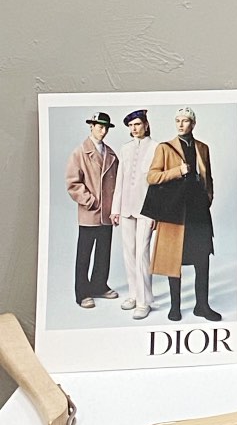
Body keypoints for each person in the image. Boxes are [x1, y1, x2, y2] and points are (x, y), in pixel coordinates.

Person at [146, 107, 221, 322]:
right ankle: (175, 307)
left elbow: (208, 177)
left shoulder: (203, 147)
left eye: (185, 120)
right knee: (174, 258)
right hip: (174, 210)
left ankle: (202, 306)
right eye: (177, 120)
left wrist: (207, 198)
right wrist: (178, 171)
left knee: (202, 258)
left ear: (193, 124)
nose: (180, 124)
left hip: (198, 210)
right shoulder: (164, 148)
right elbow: (152, 177)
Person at [64, 111, 119, 309]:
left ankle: (99, 285)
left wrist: (115, 207)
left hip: (107, 213)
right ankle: (82, 293)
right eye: (99, 127)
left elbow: (117, 184)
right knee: (84, 254)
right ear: (91, 127)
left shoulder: (111, 154)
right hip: (90, 212)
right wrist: (90, 200)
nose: (103, 131)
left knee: (104, 252)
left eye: (106, 128)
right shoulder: (80, 152)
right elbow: (73, 183)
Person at [111, 108, 157, 319]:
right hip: (126, 207)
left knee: (142, 254)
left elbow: (158, 186)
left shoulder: (157, 148)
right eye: (131, 126)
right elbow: (120, 180)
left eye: (137, 124)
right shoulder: (125, 149)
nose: (134, 129)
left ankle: (144, 301)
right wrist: (115, 209)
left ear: (146, 124)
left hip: (147, 209)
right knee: (128, 252)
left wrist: (156, 213)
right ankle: (133, 294)